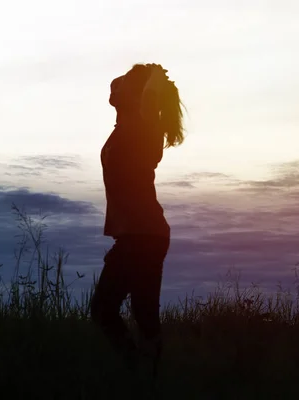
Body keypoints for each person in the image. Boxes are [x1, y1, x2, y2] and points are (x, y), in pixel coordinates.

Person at [90, 63, 185, 383]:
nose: (115, 85)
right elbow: (119, 86)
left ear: (141, 95)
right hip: (137, 234)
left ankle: (139, 372)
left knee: (106, 310)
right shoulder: (127, 126)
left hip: (143, 235)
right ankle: (145, 375)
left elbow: (149, 91)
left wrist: (155, 75)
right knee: (140, 314)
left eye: (126, 83)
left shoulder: (146, 125)